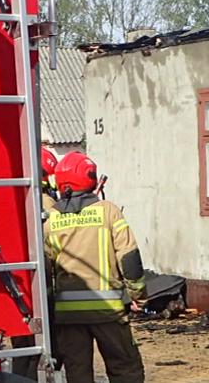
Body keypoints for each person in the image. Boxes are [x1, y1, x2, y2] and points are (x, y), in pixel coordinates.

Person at [45, 151, 146, 383]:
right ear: (90, 178)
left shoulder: (50, 220)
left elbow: (44, 270)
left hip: (68, 317)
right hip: (108, 311)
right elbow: (129, 258)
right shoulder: (108, 211)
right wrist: (139, 294)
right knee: (125, 370)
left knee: (78, 375)